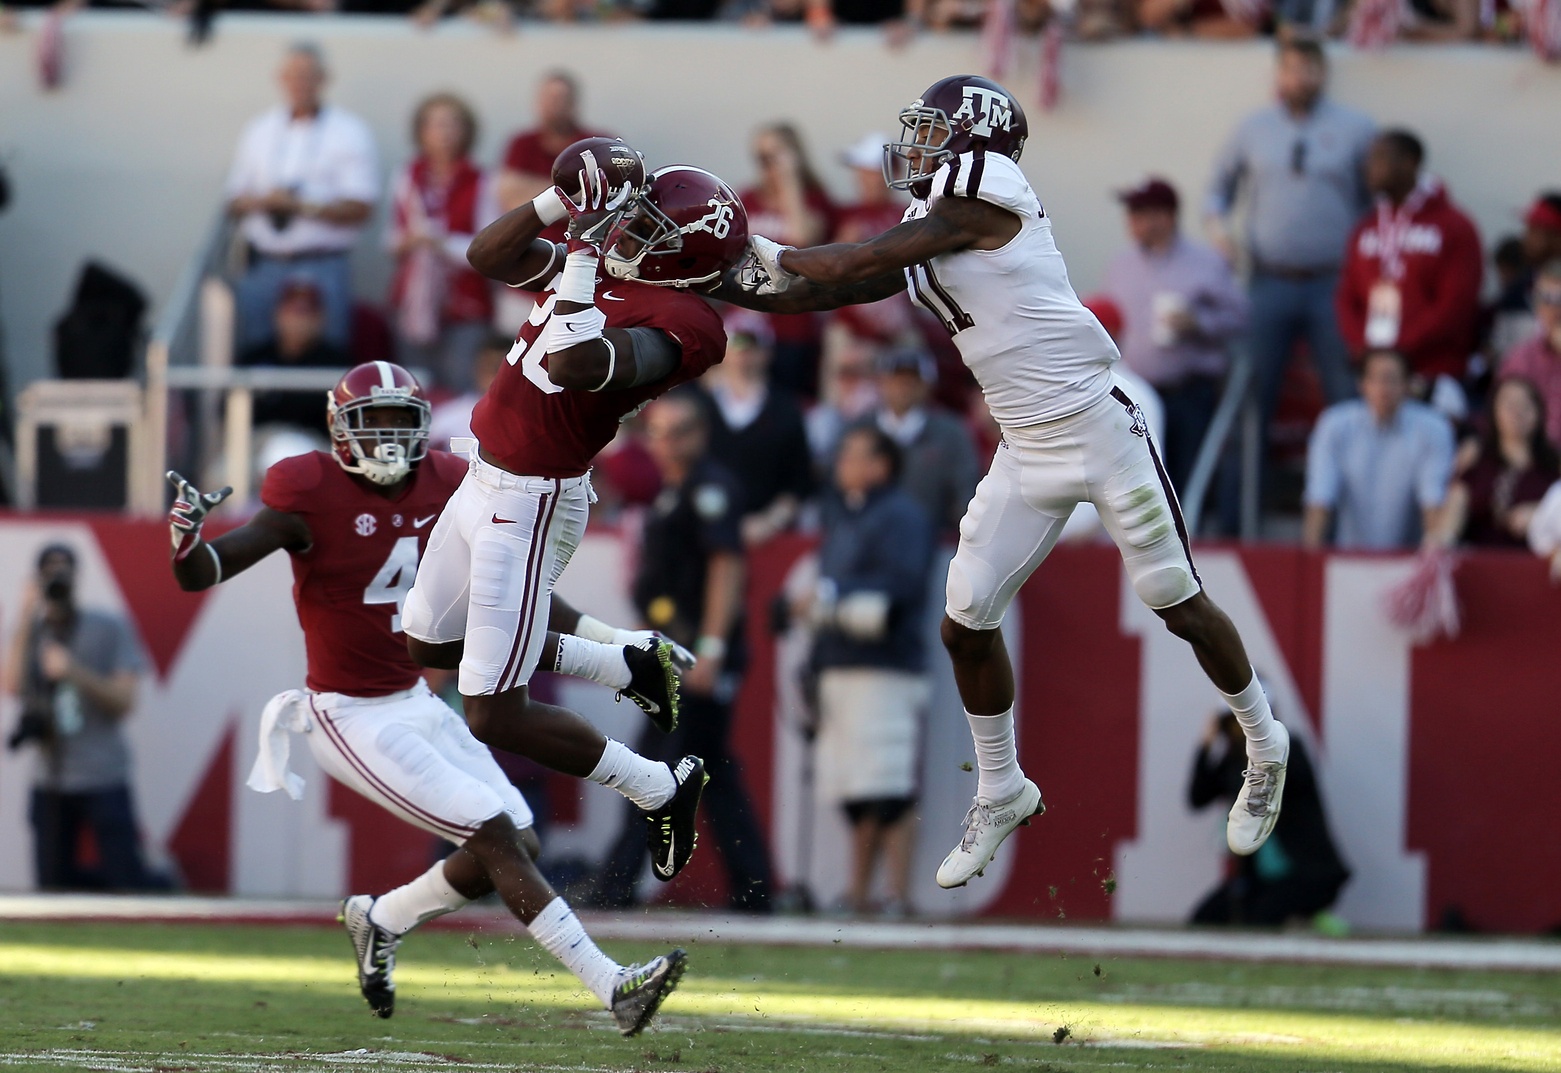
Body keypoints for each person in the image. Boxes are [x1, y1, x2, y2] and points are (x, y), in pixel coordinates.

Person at [714, 74, 1292, 890]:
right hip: (1024, 445)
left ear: (972, 138)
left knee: (1176, 600)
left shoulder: (989, 187)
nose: (913, 145)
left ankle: (1264, 743)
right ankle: (1000, 787)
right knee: (964, 619)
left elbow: (859, 255)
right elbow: (835, 283)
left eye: (930, 129)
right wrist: (712, 282)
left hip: (1099, 427)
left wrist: (753, 248)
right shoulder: (932, 216)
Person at [163, 362, 688, 1035]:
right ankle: (611, 983)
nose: (384, 437)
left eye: (397, 421)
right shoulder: (307, 491)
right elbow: (209, 567)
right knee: (496, 834)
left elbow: (515, 588)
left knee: (516, 837)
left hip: (416, 698)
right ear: (339, 427)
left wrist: (618, 638)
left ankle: (381, 919)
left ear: (421, 427)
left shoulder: (449, 482)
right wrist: (186, 545)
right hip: (348, 712)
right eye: (370, 421)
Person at [401, 149, 752, 888]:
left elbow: (574, 363)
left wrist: (585, 251)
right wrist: (558, 204)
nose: (632, 228)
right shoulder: (608, 267)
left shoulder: (688, 320)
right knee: (428, 644)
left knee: (493, 711)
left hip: (532, 499)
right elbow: (485, 254)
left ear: (683, 255)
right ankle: (625, 661)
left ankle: (659, 785)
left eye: (651, 224)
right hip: (485, 477)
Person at [591, 392, 776, 913]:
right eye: (660, 432)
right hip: (678, 653)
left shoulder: (710, 489)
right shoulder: (673, 492)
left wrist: (709, 649)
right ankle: (754, 887)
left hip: (693, 658)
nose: (669, 444)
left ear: (701, 434)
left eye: (681, 432)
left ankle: (617, 882)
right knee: (711, 771)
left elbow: (726, 566)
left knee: (652, 764)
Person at [1204, 38, 1376, 425]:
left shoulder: (1357, 128)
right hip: (1268, 281)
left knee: (1345, 393)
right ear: (1279, 74)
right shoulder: (1252, 128)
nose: (1300, 79)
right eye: (1292, 69)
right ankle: (1243, 487)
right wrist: (1220, 234)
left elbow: (1375, 205)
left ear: (1323, 73)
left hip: (1335, 282)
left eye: (1309, 69)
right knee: (1251, 394)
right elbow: (1216, 192)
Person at [803, 425, 936, 916]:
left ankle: (896, 893)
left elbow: (899, 591)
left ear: (882, 465)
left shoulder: (901, 517)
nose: (843, 464)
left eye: (855, 456)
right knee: (855, 789)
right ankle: (861, 893)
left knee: (888, 784)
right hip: (842, 663)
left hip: (885, 667)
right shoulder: (847, 516)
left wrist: (825, 603)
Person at [5, 544, 160, 891]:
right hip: (49, 779)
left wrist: (74, 671)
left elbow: (125, 702)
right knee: (53, 889)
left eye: (64, 571)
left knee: (126, 883)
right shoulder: (31, 632)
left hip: (103, 774)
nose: (58, 580)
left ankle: (160, 885)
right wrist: (25, 616)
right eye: (50, 572)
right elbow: (11, 686)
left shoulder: (107, 627)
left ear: (78, 576)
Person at [225, 43, 379, 351]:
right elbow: (233, 201)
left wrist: (300, 205)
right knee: (257, 353)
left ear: (324, 79)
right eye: (294, 75)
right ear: (280, 78)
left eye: (309, 75)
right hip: (264, 263)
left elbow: (362, 207)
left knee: (326, 355)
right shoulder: (260, 129)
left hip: (323, 264)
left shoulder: (349, 131)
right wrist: (268, 202)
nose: (301, 83)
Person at [1103, 177, 1246, 493]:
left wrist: (1198, 322)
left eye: (1140, 213)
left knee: (1186, 481)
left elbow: (1239, 317)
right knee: (1140, 481)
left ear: (1165, 217)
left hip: (1189, 392)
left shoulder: (1205, 262)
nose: (1131, 221)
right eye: (1131, 213)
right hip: (1135, 394)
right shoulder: (1121, 265)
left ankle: (1188, 540)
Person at [1336, 130, 1483, 391]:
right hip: (1373, 374)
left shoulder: (1455, 226)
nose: (1369, 166)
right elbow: (1346, 297)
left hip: (1432, 371)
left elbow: (1456, 305)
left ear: (1409, 162)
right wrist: (1366, 349)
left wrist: (1398, 350)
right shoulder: (1365, 227)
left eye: (1380, 158)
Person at [1188, 712, 1349, 928]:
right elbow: (1198, 798)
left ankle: (1315, 928)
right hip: (1260, 880)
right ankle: (1305, 923)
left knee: (1261, 919)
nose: (1239, 732)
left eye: (1243, 722)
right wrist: (1205, 745)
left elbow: (1270, 777)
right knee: (1205, 918)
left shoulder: (1289, 748)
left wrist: (1255, 748)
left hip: (1305, 874)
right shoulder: (1234, 759)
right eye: (1233, 724)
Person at [386, 92, 498, 391]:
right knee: (415, 388)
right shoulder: (408, 176)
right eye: (436, 125)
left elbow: (487, 248)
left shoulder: (482, 180)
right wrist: (413, 242)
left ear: (466, 132)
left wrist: (440, 243)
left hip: (465, 304)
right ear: (421, 132)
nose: (444, 133)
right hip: (413, 304)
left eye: (452, 125)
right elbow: (392, 241)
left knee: (462, 386)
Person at [1302, 349, 1455, 550]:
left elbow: (1433, 503)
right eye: (1376, 379)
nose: (1384, 388)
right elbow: (1320, 498)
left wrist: (1429, 564)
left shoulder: (1433, 428)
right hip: (1348, 559)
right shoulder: (1335, 425)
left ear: (1407, 385)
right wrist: (1310, 563)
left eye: (1392, 379)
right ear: (1362, 384)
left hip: (1409, 560)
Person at [693, 313, 814, 546]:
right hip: (699, 532)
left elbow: (799, 480)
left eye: (752, 344)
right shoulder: (696, 404)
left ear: (768, 351)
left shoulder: (786, 410)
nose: (744, 352)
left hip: (766, 537)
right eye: (736, 343)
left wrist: (769, 522)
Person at [740, 122, 838, 398]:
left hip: (794, 324)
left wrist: (790, 180)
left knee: (789, 399)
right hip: (750, 323)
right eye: (760, 158)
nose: (766, 166)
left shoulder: (815, 200)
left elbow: (801, 238)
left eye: (774, 156)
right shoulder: (748, 198)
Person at [857, 346, 979, 536]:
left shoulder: (951, 434)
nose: (903, 387)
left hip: (931, 539)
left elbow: (966, 490)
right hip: (864, 539)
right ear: (882, 382)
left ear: (927, 385)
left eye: (912, 381)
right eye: (897, 379)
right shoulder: (859, 430)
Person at [1431, 377, 1560, 549]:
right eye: (1509, 404)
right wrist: (1444, 538)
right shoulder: (1475, 462)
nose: (1517, 412)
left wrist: (1541, 515)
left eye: (1525, 404)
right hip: (1482, 563)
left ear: (1538, 413)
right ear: (1494, 411)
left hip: (1539, 566)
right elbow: (1455, 510)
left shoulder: (1554, 467)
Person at [237, 276, 351, 436]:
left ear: (320, 318)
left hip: (312, 446)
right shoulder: (255, 358)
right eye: (293, 312)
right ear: (278, 314)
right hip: (258, 445)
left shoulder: (335, 364)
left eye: (306, 313)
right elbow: (227, 410)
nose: (298, 321)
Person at [1499, 260, 1561, 447]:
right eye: (1547, 299)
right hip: (1534, 465)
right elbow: (1496, 417)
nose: (1555, 310)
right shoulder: (1521, 357)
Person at [428, 332, 507, 452]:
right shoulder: (446, 419)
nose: (495, 376)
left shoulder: (533, 420)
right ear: (476, 368)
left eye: (500, 369)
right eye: (489, 368)